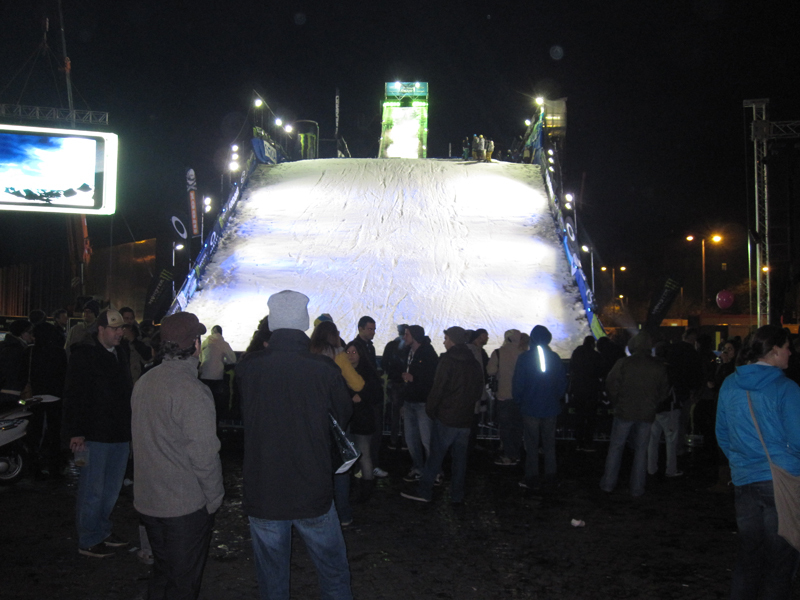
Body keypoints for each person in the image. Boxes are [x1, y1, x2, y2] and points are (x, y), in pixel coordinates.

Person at [236, 290, 354, 600]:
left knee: (272, 580)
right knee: (333, 574)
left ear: (273, 322)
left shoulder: (248, 368)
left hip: (264, 487)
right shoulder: (324, 369)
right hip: (312, 486)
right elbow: (342, 416)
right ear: (304, 322)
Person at [132, 311, 223, 600]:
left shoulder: (145, 381)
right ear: (195, 345)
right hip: (183, 506)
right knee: (183, 583)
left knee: (163, 573)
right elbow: (204, 454)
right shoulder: (193, 391)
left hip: (149, 501)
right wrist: (214, 498)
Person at [716, 325, 800, 599]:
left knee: (749, 557)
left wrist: (741, 462)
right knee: (780, 561)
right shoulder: (786, 388)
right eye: (787, 347)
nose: (790, 353)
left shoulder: (730, 383)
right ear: (774, 351)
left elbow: (723, 433)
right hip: (780, 482)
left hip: (744, 482)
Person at [64, 309, 133, 557]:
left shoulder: (121, 353)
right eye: (114, 328)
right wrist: (76, 432)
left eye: (121, 328)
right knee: (92, 488)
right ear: (101, 329)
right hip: (93, 434)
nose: (119, 333)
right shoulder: (84, 355)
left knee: (111, 488)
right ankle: (89, 537)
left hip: (118, 433)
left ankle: (102, 529)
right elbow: (74, 394)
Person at [401, 327, 484, 504]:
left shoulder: (447, 360)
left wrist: (432, 410)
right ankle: (457, 494)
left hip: (446, 417)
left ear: (452, 340)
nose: (444, 341)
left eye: (446, 338)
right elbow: (478, 390)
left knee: (435, 457)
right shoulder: (473, 361)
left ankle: (424, 491)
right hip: (465, 419)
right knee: (460, 460)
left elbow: (438, 388)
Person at [600, 332, 669, 497]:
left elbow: (610, 383)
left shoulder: (624, 363)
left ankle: (608, 484)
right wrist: (653, 404)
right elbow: (664, 391)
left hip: (624, 411)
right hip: (647, 413)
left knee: (616, 448)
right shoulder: (658, 366)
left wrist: (616, 401)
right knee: (641, 451)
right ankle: (637, 488)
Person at [512, 325, 567, 490]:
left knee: (532, 444)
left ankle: (532, 477)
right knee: (549, 443)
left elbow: (518, 384)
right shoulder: (555, 357)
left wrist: (519, 401)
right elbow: (562, 383)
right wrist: (556, 398)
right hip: (551, 408)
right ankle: (551, 476)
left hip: (530, 408)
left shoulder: (524, 358)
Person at [344, 341, 383, 502]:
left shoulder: (368, 372)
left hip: (363, 419)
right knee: (350, 455)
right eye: (348, 352)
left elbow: (377, 395)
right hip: (348, 420)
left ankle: (367, 488)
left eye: (354, 352)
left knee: (364, 454)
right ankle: (352, 486)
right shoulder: (342, 371)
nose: (351, 355)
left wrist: (362, 397)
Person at [349, 316, 387, 478]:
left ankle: (366, 467)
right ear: (361, 329)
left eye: (374, 329)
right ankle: (366, 467)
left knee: (373, 434)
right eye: (370, 329)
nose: (373, 332)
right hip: (365, 399)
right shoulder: (358, 347)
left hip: (369, 397)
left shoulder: (368, 347)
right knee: (368, 435)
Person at [401, 325, 439, 482]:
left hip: (423, 403)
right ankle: (418, 468)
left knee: (427, 439)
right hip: (409, 401)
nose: (404, 337)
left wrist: (414, 378)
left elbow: (433, 378)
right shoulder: (409, 352)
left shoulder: (428, 353)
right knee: (411, 439)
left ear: (415, 336)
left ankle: (435, 472)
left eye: (407, 334)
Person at [488, 329, 524, 465]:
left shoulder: (498, 352)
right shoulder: (524, 353)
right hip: (520, 397)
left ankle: (509, 455)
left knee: (505, 427)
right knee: (517, 427)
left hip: (504, 395)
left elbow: (491, 371)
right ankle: (516, 453)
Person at [569, 336, 605, 452]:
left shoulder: (577, 353)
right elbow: (601, 372)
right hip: (592, 391)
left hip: (578, 390)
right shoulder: (596, 355)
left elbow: (572, 368)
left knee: (579, 417)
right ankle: (588, 443)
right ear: (593, 344)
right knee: (590, 418)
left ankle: (578, 442)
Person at [199, 325, 237, 417]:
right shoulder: (223, 343)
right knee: (216, 400)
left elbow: (200, 357)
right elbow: (232, 359)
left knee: (205, 400)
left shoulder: (205, 342)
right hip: (217, 376)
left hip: (204, 375)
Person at [382, 324, 409, 450]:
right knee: (406, 413)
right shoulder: (409, 347)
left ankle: (393, 440)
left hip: (393, 383)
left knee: (394, 412)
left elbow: (384, 364)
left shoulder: (390, 345)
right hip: (407, 384)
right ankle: (405, 441)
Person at [0, 319, 33, 406]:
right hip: (13, 393)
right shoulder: (18, 349)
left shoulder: (5, 346)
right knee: (20, 406)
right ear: (21, 333)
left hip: (7, 391)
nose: (32, 335)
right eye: (30, 332)